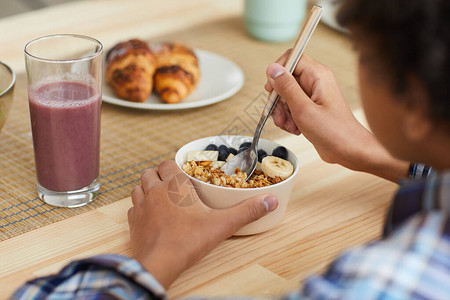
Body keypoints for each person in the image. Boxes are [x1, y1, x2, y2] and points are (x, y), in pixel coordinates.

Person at [11, 0, 450, 299]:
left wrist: (154, 260)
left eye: (361, 55)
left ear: (412, 100)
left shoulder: (376, 283)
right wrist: (376, 154)